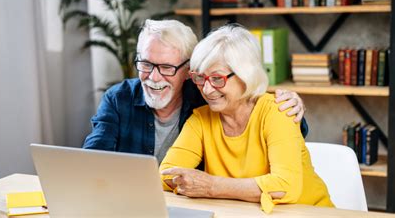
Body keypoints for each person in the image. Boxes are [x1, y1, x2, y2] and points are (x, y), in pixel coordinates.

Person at [159, 24, 333, 214]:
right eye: (200, 78)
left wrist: (211, 186)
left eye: (217, 79)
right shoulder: (200, 119)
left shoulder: (278, 111)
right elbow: (165, 174)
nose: (207, 90)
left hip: (309, 213)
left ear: (246, 75)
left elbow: (285, 185)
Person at [83, 19, 307, 163]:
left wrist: (290, 106)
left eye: (167, 68)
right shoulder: (119, 98)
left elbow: (262, 123)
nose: (153, 77)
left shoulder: (206, 96)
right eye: (146, 64)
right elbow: (92, 158)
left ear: (189, 70)